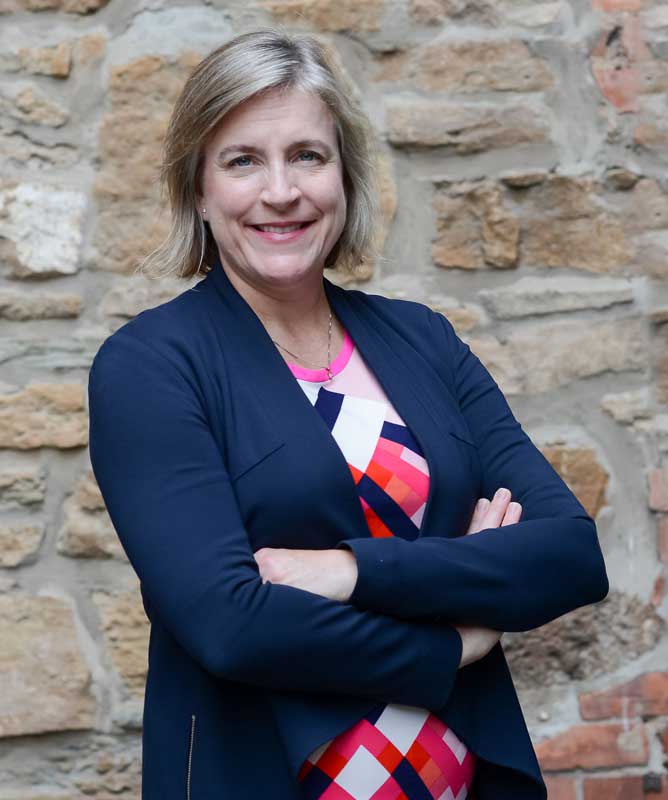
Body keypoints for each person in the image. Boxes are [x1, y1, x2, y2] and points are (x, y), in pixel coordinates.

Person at [87, 28, 609, 800]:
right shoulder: (152, 366)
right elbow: (231, 625)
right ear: (197, 189)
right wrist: (454, 640)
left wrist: (347, 571)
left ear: (344, 175)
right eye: (242, 161)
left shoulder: (422, 340)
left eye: (307, 155)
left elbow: (567, 554)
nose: (281, 191)